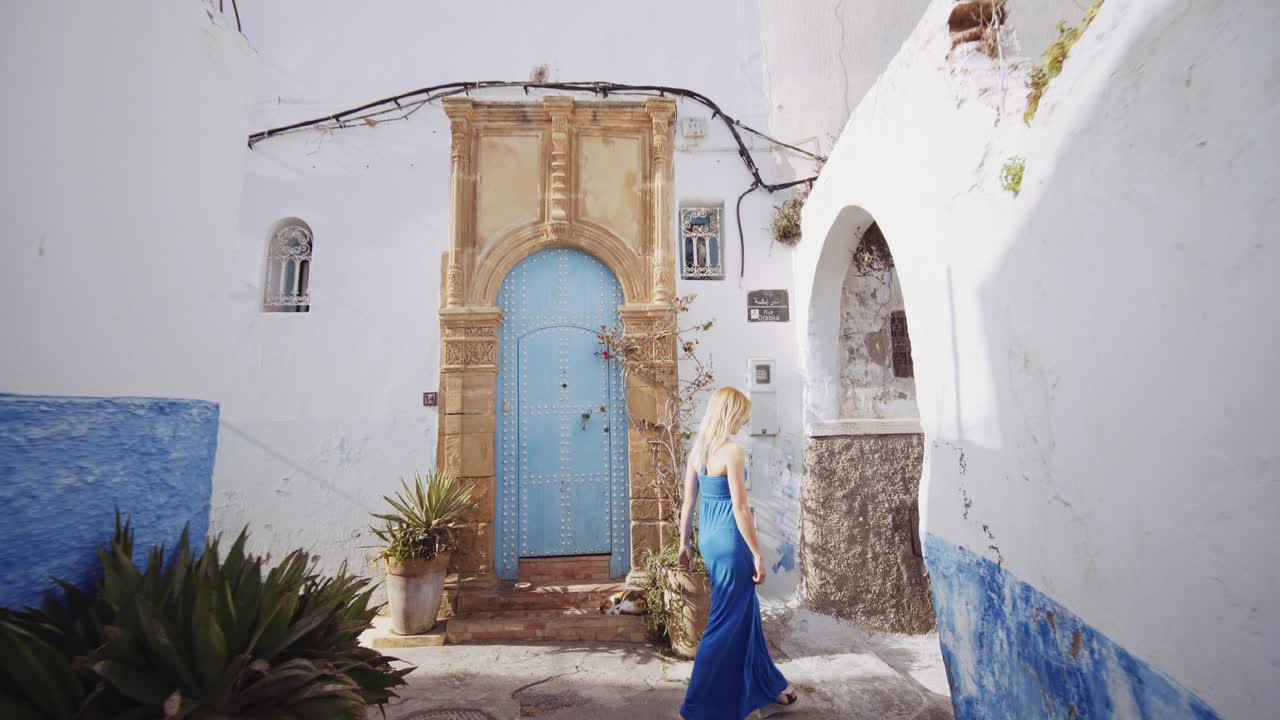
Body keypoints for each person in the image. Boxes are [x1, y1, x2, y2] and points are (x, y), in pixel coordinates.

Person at [678, 386, 799, 719]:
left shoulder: (697, 451)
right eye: (741, 418)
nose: (743, 425)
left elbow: (689, 502)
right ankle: (693, 707)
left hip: (709, 539)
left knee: (745, 613)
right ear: (730, 415)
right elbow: (741, 507)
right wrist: (758, 553)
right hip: (733, 542)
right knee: (724, 621)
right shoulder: (732, 451)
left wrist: (684, 544)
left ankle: (772, 685)